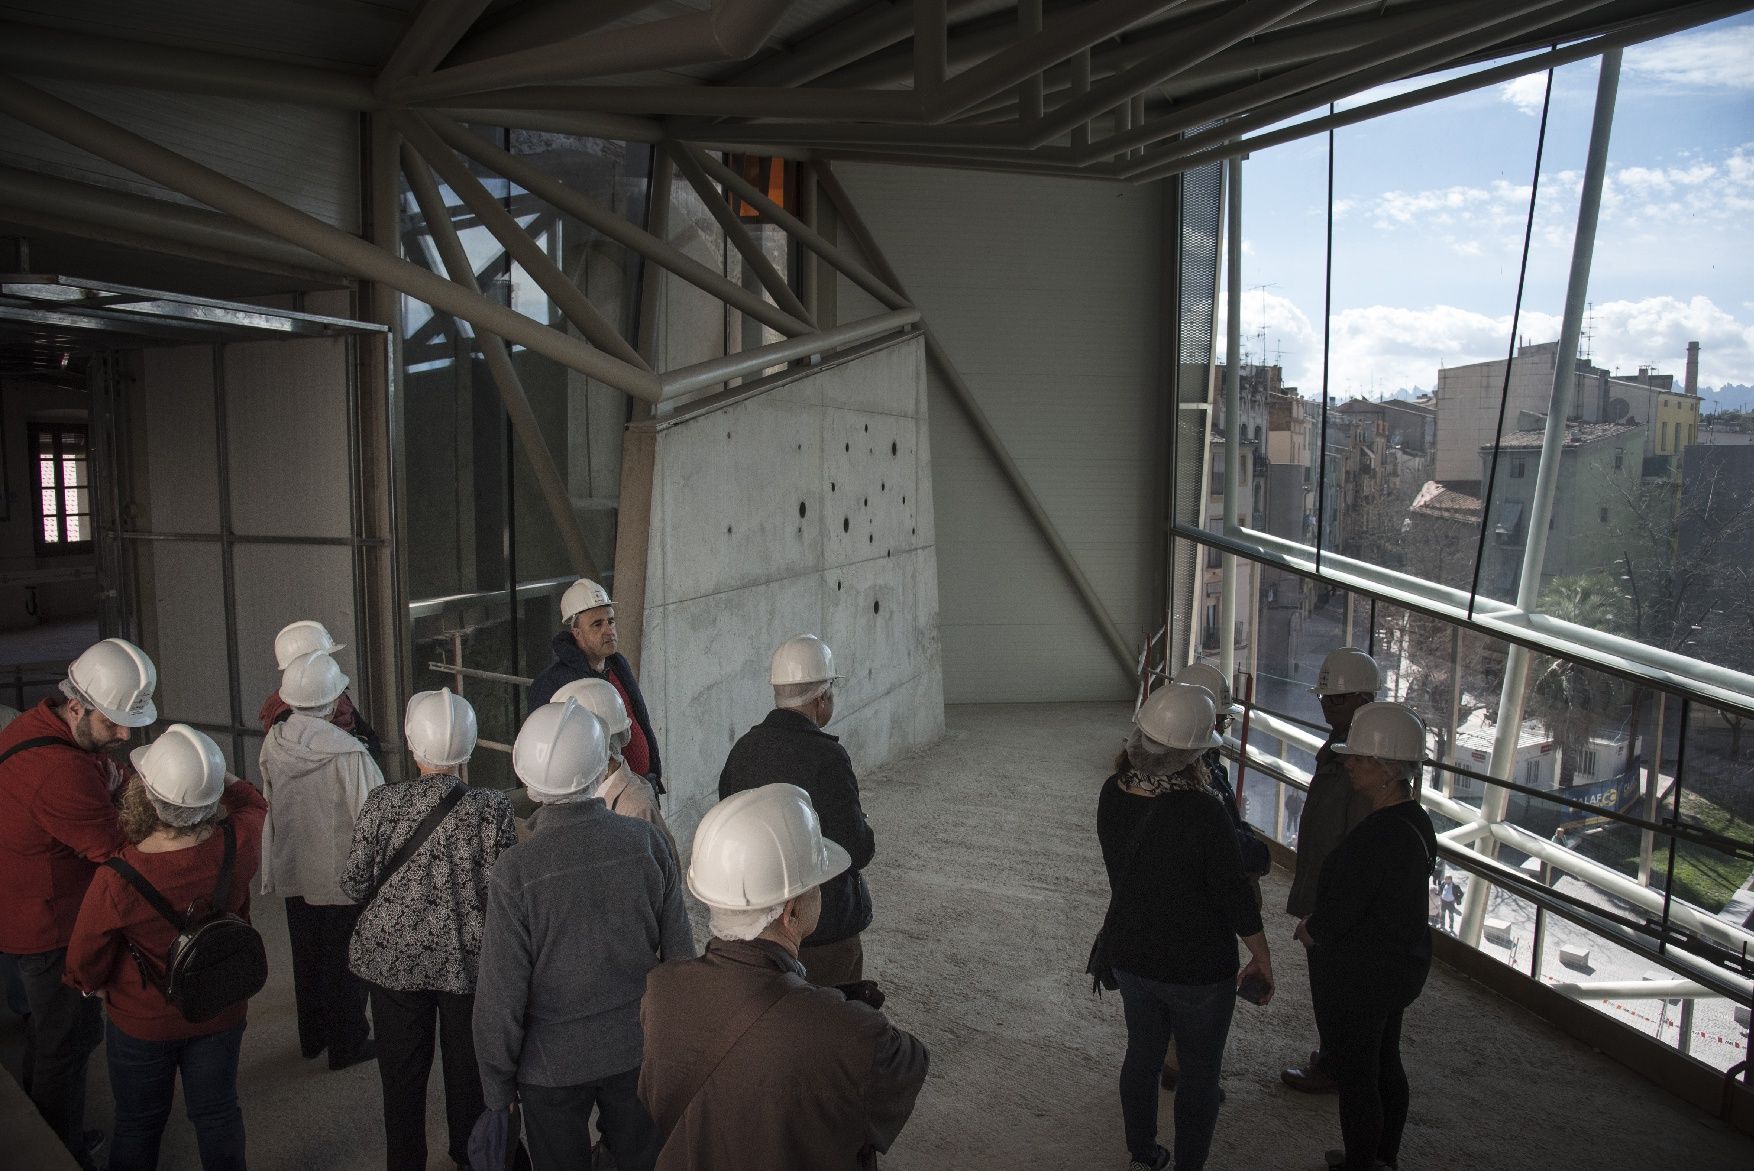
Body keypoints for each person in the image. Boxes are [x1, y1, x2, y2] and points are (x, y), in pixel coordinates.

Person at [640, 784, 928, 1170]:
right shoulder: (851, 1033)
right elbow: (908, 1064)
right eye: (816, 883)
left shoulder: (662, 991)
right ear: (790, 911)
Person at [474, 699, 692, 1171]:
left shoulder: (516, 871)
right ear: (602, 767)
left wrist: (497, 1084)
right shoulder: (649, 844)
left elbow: (500, 996)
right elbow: (680, 962)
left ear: (528, 780)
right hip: (637, 1049)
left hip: (549, 1066)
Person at [65, 724, 267, 1171]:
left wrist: (89, 985)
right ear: (211, 800)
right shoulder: (241, 839)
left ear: (145, 797)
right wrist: (213, 776)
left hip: (142, 1022)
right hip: (221, 1005)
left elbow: (85, 954)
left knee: (139, 1124)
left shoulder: (118, 877)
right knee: (217, 1114)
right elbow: (253, 800)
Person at [1098, 683, 1274, 1171]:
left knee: (1143, 1054)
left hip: (1131, 954)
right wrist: (1261, 955)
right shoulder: (1203, 813)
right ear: (1197, 753)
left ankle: (1142, 1154)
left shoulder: (1111, 794)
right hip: (1199, 969)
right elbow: (1235, 899)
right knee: (1199, 1074)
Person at [0, 637, 158, 1170]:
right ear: (76, 706)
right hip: (49, 928)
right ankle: (59, 1148)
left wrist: (116, 784)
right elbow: (115, 852)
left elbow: (107, 782)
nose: (124, 734)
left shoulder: (39, 725)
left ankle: (45, 1117)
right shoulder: (59, 772)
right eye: (113, 722)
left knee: (48, 1035)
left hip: (26, 907)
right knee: (67, 1042)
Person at [341, 688, 515, 1171]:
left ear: (413, 746)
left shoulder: (381, 803)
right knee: (468, 1076)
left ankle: (406, 1162)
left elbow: (355, 882)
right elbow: (501, 890)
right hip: (466, 962)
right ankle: (470, 1155)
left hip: (392, 964)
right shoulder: (492, 807)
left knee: (401, 1080)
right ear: (470, 745)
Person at [1293, 702, 1437, 1171]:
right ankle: (1382, 1158)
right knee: (1385, 1061)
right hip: (1400, 965)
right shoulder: (1416, 821)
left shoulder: (1377, 837)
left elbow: (1343, 910)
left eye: (1360, 758)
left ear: (1386, 771)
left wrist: (1311, 931)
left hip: (1364, 973)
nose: (1349, 763)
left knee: (1358, 1076)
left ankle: (1361, 1162)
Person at [719, 635, 875, 986]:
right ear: (821, 699)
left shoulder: (743, 751)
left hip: (758, 925)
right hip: (821, 929)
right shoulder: (828, 758)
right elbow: (856, 849)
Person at [257, 650, 380, 1070]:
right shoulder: (347, 752)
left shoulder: (276, 739)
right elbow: (372, 814)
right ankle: (347, 1044)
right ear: (333, 700)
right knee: (345, 962)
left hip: (294, 867)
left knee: (306, 957)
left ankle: (313, 1037)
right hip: (339, 873)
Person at [1159, 663, 1273, 1092]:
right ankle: (1188, 1070)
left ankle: (1170, 1061)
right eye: (1221, 719)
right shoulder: (1203, 778)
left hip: (1170, 906)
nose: (1225, 727)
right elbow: (1226, 847)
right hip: (1202, 911)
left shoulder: (1151, 776)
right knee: (1196, 995)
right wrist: (1259, 853)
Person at [1282, 646, 1380, 1094]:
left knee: (1336, 989)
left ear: (1363, 700)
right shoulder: (1342, 747)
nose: (1325, 705)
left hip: (1337, 902)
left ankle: (1338, 1066)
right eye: (1323, 698)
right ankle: (1337, 1056)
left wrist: (1327, 913)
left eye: (1335, 699)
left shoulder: (1364, 761)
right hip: (1326, 892)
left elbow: (1357, 849)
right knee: (1328, 985)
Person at [526, 579, 662, 795]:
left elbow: (639, 720)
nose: (609, 631)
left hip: (642, 785)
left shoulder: (617, 664)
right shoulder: (552, 683)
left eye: (611, 621)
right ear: (576, 633)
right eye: (597, 624)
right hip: (602, 799)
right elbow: (541, 752)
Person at [548, 678, 674, 853]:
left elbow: (664, 873)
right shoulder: (585, 791)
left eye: (572, 745)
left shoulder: (636, 809)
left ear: (600, 745)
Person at [257, 621, 383, 757]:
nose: (330, 662)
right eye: (325, 657)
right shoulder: (284, 714)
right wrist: (356, 746)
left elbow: (373, 743)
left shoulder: (338, 696)